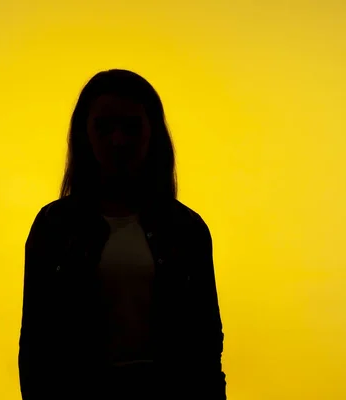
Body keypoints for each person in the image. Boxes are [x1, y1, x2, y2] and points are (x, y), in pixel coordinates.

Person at [18, 69, 227, 400]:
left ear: (151, 134)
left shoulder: (186, 230)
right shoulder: (54, 228)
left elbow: (206, 344)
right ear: (85, 135)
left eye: (131, 127)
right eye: (104, 127)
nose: (118, 140)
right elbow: (36, 347)